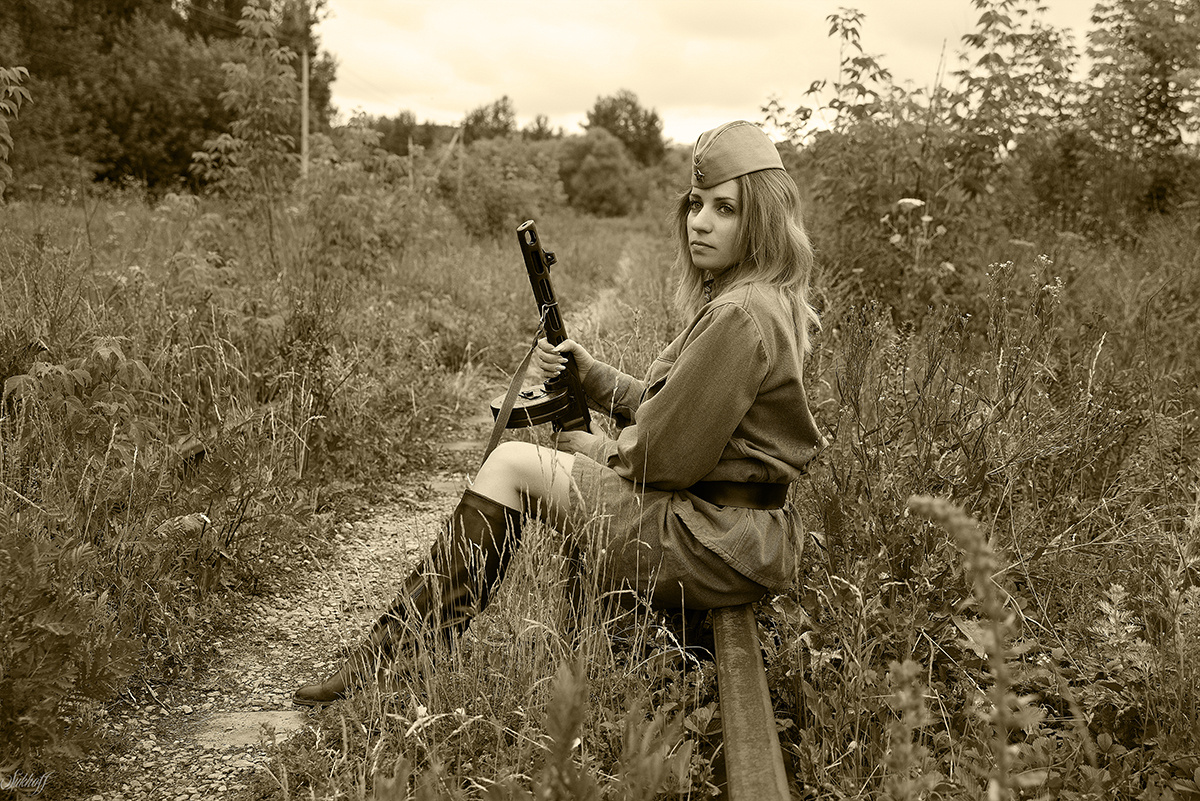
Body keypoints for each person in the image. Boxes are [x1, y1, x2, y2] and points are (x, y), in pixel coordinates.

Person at [293, 120, 824, 707]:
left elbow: (662, 459)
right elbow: (678, 412)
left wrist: (592, 450)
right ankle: (397, 653)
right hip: (733, 534)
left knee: (511, 465)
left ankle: (388, 660)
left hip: (713, 541)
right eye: (696, 204)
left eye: (725, 209)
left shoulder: (738, 314)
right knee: (522, 465)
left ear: (762, 220)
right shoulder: (757, 299)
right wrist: (590, 377)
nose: (699, 221)